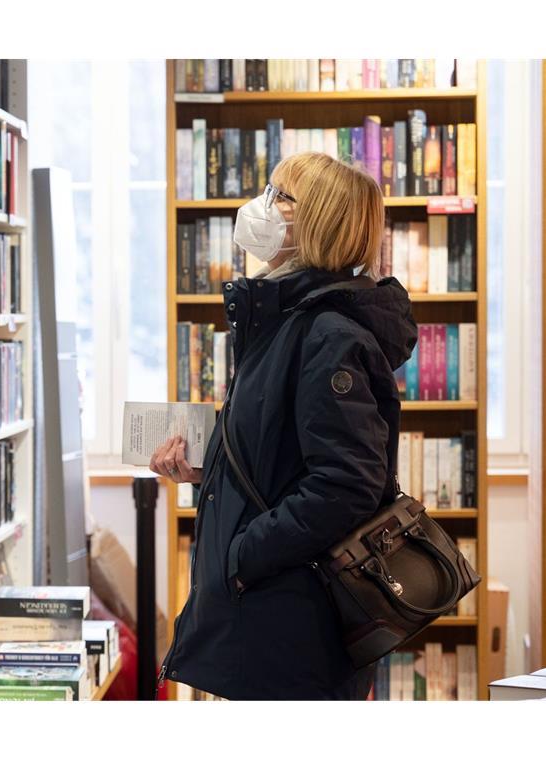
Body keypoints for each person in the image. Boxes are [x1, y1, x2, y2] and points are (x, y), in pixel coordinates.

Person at [152, 152, 418, 700]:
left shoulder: (328, 336)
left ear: (317, 222)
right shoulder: (286, 323)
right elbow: (285, 459)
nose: (263, 206)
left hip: (292, 623)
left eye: (280, 196)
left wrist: (244, 555)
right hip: (270, 616)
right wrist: (211, 471)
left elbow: (346, 486)